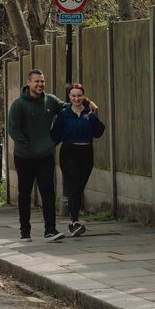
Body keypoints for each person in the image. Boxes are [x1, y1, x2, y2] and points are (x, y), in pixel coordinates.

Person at [8, 69, 66, 242]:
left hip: (45, 155)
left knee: (48, 192)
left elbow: (68, 109)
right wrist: (28, 146)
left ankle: (51, 230)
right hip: (24, 157)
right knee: (24, 193)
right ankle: (25, 231)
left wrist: (87, 103)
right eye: (36, 81)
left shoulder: (51, 100)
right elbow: (13, 129)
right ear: (29, 83)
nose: (40, 84)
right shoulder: (19, 105)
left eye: (42, 81)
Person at [51, 83, 104, 238]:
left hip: (87, 152)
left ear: (83, 96)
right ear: (69, 96)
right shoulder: (64, 114)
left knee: (79, 187)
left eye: (79, 95)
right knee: (74, 184)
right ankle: (75, 222)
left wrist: (93, 116)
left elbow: (99, 132)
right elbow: (55, 135)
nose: (76, 98)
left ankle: (73, 221)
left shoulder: (89, 112)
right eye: (73, 95)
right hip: (69, 152)